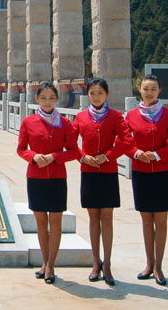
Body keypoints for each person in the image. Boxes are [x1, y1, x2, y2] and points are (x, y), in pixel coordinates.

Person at [17, 82, 81, 284]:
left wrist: (54, 157)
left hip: (56, 177)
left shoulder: (65, 123)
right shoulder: (28, 121)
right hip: (35, 177)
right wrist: (34, 156)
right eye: (43, 98)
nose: (47, 102)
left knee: (56, 223)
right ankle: (44, 262)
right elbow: (21, 149)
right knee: (41, 224)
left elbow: (74, 151)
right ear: (37, 99)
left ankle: (51, 265)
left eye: (51, 98)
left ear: (57, 99)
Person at [125, 74, 168, 286]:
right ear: (139, 90)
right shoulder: (132, 115)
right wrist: (136, 153)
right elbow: (124, 141)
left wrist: (159, 154)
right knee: (146, 220)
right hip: (141, 171)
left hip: (161, 171)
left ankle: (159, 266)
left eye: (153, 89)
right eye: (145, 88)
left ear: (160, 91)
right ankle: (148, 263)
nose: (148, 92)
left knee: (161, 221)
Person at [73, 78, 133, 286]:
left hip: (107, 171)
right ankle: (95, 262)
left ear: (107, 95)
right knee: (92, 217)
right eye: (92, 93)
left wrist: (108, 155)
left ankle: (107, 264)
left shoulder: (116, 116)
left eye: (100, 93)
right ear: (87, 95)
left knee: (106, 217)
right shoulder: (81, 117)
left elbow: (127, 141)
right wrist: (82, 155)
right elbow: (70, 142)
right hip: (88, 171)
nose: (96, 97)